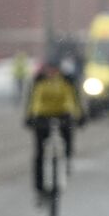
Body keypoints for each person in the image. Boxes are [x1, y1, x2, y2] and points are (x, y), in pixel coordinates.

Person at [25, 61, 83, 201]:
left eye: (53, 70)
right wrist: (32, 116)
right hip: (43, 117)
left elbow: (70, 100)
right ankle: (40, 188)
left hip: (62, 115)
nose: (51, 73)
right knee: (39, 153)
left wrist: (75, 115)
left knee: (67, 137)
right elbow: (35, 101)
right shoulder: (40, 83)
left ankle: (66, 160)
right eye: (48, 70)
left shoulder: (65, 82)